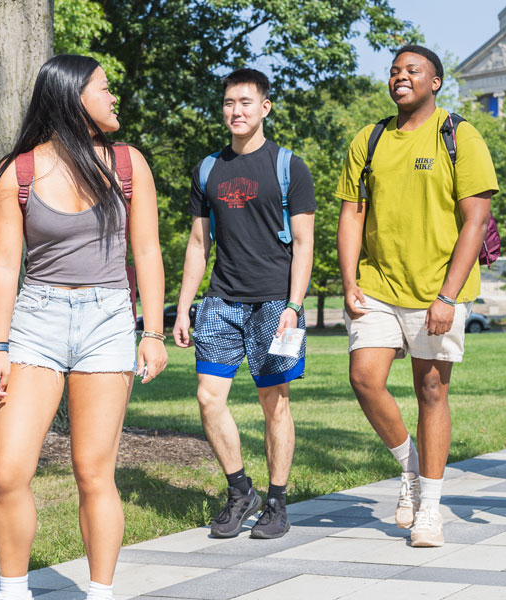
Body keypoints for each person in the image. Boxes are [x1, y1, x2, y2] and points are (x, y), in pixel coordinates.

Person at [0, 55, 167, 600]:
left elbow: (148, 251)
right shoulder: (17, 172)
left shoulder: (129, 164)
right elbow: (4, 266)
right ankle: (13, 591)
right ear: (71, 97)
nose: (115, 98)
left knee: (93, 471)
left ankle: (100, 593)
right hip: (35, 322)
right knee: (8, 471)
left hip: (108, 318)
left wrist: (152, 334)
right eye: (105, 89)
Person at [334, 44, 498, 548]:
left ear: (435, 82)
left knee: (431, 391)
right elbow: (352, 213)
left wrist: (448, 296)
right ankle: (409, 467)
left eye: (413, 71)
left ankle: (430, 507)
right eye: (395, 71)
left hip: (437, 290)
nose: (400, 77)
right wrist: (349, 281)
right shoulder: (371, 137)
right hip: (378, 284)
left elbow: (477, 220)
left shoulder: (460, 136)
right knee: (364, 377)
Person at [174, 68, 316, 539]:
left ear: (265, 108)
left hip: (277, 305)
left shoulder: (289, 167)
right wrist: (182, 307)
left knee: (274, 402)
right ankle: (240, 492)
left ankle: (276, 502)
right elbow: (198, 243)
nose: (236, 111)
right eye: (229, 103)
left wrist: (295, 305)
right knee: (207, 398)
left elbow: (303, 242)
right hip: (220, 303)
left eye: (246, 102)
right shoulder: (208, 169)